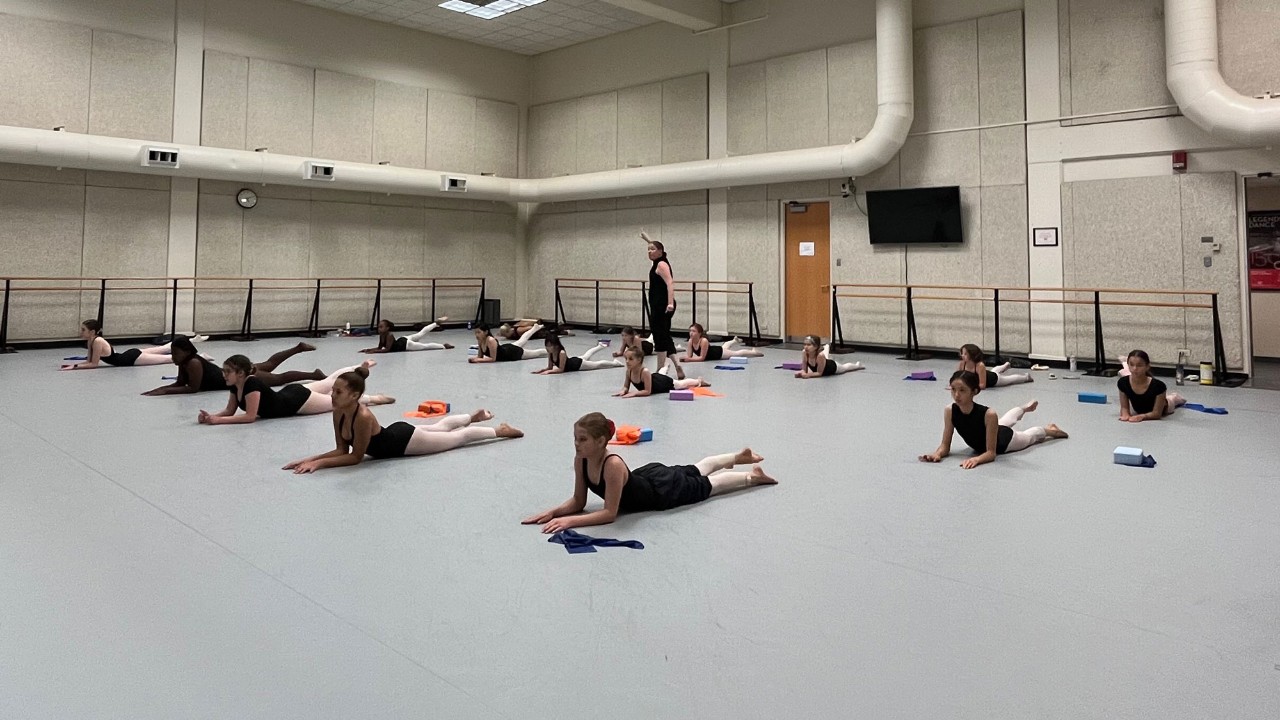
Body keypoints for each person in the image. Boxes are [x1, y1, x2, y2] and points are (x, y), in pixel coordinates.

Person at [520, 411, 777, 532]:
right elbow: (579, 501)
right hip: (649, 477)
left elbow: (610, 513)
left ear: (601, 442)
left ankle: (751, 477)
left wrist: (570, 521)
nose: (577, 444)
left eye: (583, 439)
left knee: (709, 485)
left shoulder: (613, 465)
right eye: (575, 438)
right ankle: (738, 456)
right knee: (694, 468)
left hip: (660, 493)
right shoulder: (582, 460)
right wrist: (552, 511)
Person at [282, 372, 522, 473]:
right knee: (439, 427)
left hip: (405, 442)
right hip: (395, 432)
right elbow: (341, 449)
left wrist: (321, 465)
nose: (332, 396)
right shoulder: (338, 411)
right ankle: (471, 417)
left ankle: (498, 430)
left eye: (338, 392)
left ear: (355, 396)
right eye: (332, 391)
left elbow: (356, 457)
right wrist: (308, 459)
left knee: (458, 438)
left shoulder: (363, 417)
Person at [919, 370, 1067, 469]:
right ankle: (1023, 408)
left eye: (962, 390)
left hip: (1005, 441)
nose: (956, 395)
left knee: (1030, 436)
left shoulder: (988, 414)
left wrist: (976, 460)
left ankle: (1050, 429)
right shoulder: (950, 410)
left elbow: (991, 452)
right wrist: (937, 454)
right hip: (991, 432)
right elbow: (945, 446)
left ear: (974, 392)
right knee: (1004, 420)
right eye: (953, 389)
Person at [197, 357, 392, 425]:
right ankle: (361, 366)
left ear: (240, 373)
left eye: (228, 372)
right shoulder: (234, 385)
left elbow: (250, 417)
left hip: (299, 402)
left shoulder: (252, 384)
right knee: (328, 382)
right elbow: (230, 411)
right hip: (290, 393)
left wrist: (218, 421)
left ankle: (374, 397)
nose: (223, 375)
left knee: (338, 400)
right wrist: (211, 417)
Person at [142, 338, 324, 396]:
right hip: (234, 371)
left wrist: (166, 391)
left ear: (186, 352)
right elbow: (181, 382)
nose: (173, 357)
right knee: (268, 365)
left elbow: (193, 388)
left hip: (239, 376)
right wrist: (163, 388)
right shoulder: (184, 362)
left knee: (278, 378)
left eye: (175, 353)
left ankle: (314, 375)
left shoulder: (194, 363)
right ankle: (298, 348)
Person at [60, 319, 172, 370]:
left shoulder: (97, 341)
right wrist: (74, 365)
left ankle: (188, 346)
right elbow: (89, 361)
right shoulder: (91, 341)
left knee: (169, 358)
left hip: (131, 359)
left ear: (92, 332)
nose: (81, 332)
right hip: (128, 355)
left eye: (83, 330)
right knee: (164, 348)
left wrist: (74, 367)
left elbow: (94, 364)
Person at [643, 233, 679, 374]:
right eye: (648, 249)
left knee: (659, 336)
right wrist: (647, 239)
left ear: (660, 251)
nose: (649, 252)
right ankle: (677, 366)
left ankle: (660, 368)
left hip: (662, 306)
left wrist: (670, 303)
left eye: (652, 249)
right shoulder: (658, 262)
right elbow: (656, 246)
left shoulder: (662, 264)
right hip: (658, 305)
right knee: (664, 335)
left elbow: (670, 282)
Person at [1117, 349, 1186, 422]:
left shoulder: (1158, 386)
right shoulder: (1123, 383)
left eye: (1139, 365)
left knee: (1172, 399)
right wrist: (1126, 414)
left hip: (1166, 407)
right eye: (1131, 364)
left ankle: (1175, 397)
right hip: (1142, 406)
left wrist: (1142, 416)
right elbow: (1124, 408)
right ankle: (1125, 363)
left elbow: (1157, 414)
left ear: (1147, 366)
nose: (1135, 368)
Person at [614, 346, 707, 398]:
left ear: (639, 360)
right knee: (659, 374)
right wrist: (624, 390)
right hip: (655, 378)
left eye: (630, 359)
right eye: (626, 359)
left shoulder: (644, 371)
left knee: (680, 384)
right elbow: (626, 386)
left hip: (662, 383)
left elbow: (647, 391)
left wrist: (635, 393)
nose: (627, 361)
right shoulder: (628, 371)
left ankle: (698, 381)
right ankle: (665, 366)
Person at [532, 336, 622, 374]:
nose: (547, 348)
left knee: (597, 364)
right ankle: (600, 346)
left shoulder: (561, 352)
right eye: (546, 346)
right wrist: (541, 370)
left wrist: (548, 372)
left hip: (578, 365)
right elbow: (549, 367)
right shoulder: (550, 353)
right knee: (586, 355)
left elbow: (561, 369)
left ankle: (615, 363)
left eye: (549, 346)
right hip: (573, 361)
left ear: (555, 345)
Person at [957, 343, 1031, 389]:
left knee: (1010, 379)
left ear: (972, 354)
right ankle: (1006, 365)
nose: (962, 355)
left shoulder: (980, 366)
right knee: (994, 370)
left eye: (965, 354)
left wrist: (968, 387)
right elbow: (957, 378)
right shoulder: (962, 364)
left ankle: (1026, 377)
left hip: (994, 380)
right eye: (962, 353)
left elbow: (982, 385)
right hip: (987, 374)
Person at [469, 323, 549, 363]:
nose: (476, 335)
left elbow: (493, 359)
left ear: (486, 332)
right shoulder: (480, 340)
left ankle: (552, 351)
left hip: (512, 354)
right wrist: (476, 359)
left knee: (537, 353)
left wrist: (477, 360)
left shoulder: (490, 340)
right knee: (522, 340)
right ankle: (535, 328)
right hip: (506, 348)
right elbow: (480, 356)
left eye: (479, 332)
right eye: (475, 332)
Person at [682, 323, 762, 363]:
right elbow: (690, 355)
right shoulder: (690, 341)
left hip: (719, 353)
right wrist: (686, 358)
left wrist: (689, 359)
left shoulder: (703, 341)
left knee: (737, 354)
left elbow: (702, 358)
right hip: (714, 352)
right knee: (725, 346)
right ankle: (734, 340)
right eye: (690, 331)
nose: (691, 333)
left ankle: (753, 352)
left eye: (693, 331)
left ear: (699, 333)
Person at [361, 320, 453, 353]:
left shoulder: (389, 335)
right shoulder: (382, 335)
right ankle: (435, 323)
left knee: (425, 346)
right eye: (379, 327)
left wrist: (374, 351)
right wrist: (368, 349)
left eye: (381, 327)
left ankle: (443, 346)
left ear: (387, 328)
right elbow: (380, 347)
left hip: (407, 345)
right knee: (419, 334)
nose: (379, 329)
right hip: (403, 339)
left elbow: (387, 349)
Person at [795, 335, 863, 378]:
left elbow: (820, 373)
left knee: (845, 367)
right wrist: (802, 372)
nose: (806, 347)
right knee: (825, 359)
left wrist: (808, 375)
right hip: (824, 365)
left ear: (816, 346)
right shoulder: (804, 352)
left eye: (809, 345)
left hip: (833, 367)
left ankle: (857, 365)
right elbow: (804, 364)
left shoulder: (820, 356)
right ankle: (826, 348)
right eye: (805, 344)